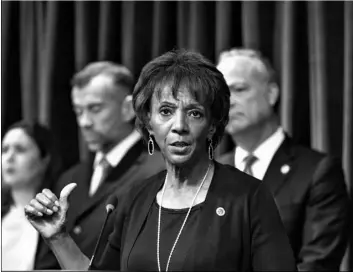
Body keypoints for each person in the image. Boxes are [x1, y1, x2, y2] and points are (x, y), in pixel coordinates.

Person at [24, 49, 296, 271]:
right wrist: (58, 237)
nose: (179, 125)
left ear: (212, 126)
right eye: (165, 111)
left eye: (195, 113)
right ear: (149, 124)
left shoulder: (249, 197)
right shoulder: (135, 198)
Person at [216, 48, 351, 271]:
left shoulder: (317, 171)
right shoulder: (209, 174)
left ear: (271, 94)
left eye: (239, 89)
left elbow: (318, 264)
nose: (228, 102)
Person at [37, 61, 165, 269]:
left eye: (94, 109)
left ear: (128, 108)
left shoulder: (160, 170)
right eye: (78, 111)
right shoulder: (70, 178)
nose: (84, 122)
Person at [1, 120, 63, 270]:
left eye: (20, 149)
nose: (9, 157)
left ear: (44, 158)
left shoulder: (58, 218)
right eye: (4, 149)